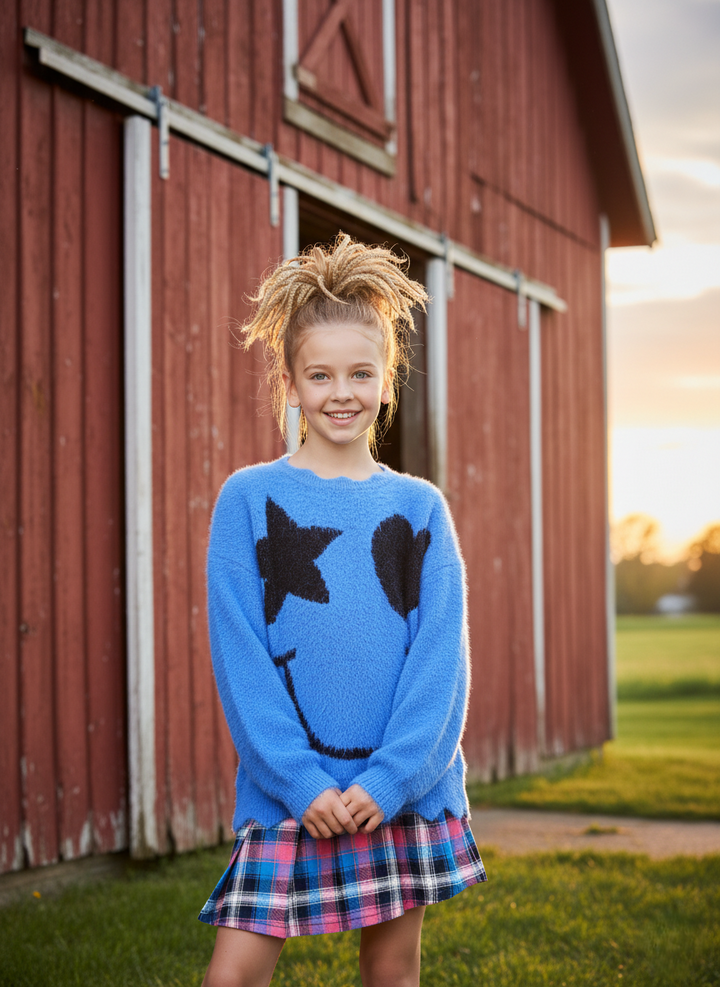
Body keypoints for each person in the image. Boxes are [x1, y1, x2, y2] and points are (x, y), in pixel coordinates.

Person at [199, 234, 486, 987]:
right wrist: (300, 782)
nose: (341, 392)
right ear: (290, 382)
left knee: (390, 972)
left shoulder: (420, 508)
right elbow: (242, 660)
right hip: (289, 789)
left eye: (361, 372)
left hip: (396, 793)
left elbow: (440, 669)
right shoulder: (249, 500)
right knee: (233, 973)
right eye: (319, 374)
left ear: (386, 380)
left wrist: (389, 782)